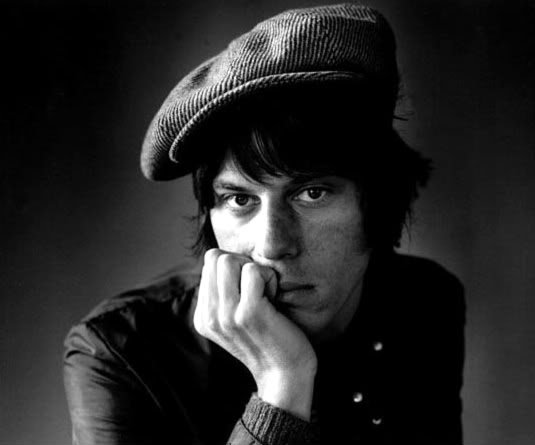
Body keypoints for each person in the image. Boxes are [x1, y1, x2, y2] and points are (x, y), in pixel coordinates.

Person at [63, 4, 465, 444]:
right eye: (240, 200)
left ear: (379, 198)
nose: (272, 246)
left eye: (312, 193)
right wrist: (281, 384)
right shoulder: (119, 352)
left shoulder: (426, 301)